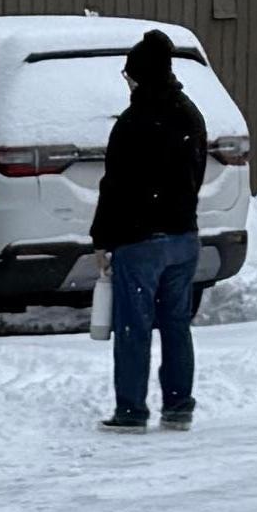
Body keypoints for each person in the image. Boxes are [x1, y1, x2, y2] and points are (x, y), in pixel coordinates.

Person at [94, 31, 211, 432]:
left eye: (128, 76)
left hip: (139, 238)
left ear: (139, 76)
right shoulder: (190, 115)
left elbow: (114, 186)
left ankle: (131, 410)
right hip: (184, 236)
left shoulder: (132, 123)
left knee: (134, 327)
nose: (127, 83)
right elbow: (196, 171)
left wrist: (103, 240)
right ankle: (178, 405)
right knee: (176, 325)